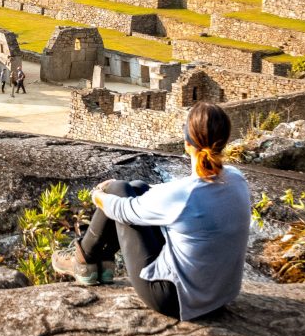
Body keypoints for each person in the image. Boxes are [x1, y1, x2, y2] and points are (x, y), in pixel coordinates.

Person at [51, 103, 250, 320]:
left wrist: (99, 195)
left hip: (174, 299)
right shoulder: (236, 179)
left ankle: (83, 260)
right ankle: (100, 262)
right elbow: (179, 192)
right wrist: (137, 189)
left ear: (186, 143)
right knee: (136, 187)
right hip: (219, 297)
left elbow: (123, 209)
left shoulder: (184, 196)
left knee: (119, 190)